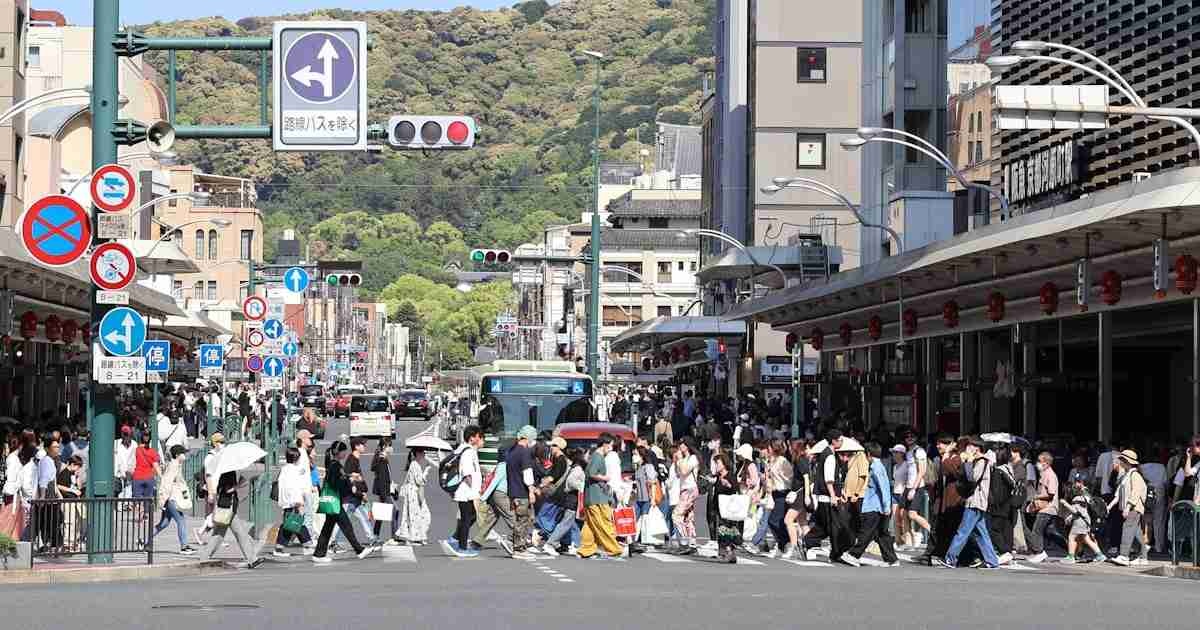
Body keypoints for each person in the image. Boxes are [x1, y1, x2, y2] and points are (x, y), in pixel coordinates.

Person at [935, 437, 1000, 569]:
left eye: (970, 447)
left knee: (962, 532)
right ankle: (992, 561)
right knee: (981, 534)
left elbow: (972, 478)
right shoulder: (978, 461)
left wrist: (969, 462)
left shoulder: (982, 461)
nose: (967, 449)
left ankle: (950, 559)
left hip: (975, 502)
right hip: (975, 502)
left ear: (977, 448)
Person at [312, 441, 375, 563]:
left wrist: (349, 477)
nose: (345, 453)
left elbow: (338, 479)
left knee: (328, 528)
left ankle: (319, 554)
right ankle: (359, 550)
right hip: (334, 501)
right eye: (344, 451)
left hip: (333, 501)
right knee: (346, 526)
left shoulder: (333, 464)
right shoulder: (336, 466)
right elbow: (337, 482)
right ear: (340, 452)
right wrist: (350, 483)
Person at [845, 442, 898, 567]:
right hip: (877, 506)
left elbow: (884, 487)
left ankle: (853, 554)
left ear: (868, 454)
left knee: (866, 532)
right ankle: (891, 559)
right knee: (881, 534)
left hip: (874, 506)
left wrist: (886, 506)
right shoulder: (877, 466)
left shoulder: (876, 468)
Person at [200, 468, 263, 569]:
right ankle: (252, 559)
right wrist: (239, 484)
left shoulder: (223, 470)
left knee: (221, 535)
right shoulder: (228, 471)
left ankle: (204, 558)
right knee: (237, 533)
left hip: (226, 506)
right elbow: (227, 489)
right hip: (227, 506)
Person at [579, 433, 625, 560]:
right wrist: (605, 478)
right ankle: (614, 549)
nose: (611, 448)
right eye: (610, 445)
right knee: (604, 523)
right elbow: (592, 473)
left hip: (591, 496)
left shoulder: (595, 456)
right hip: (598, 497)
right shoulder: (598, 457)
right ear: (604, 444)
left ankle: (586, 548)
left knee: (590, 525)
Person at [442, 425, 483, 558]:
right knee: (466, 519)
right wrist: (474, 492)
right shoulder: (468, 452)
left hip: (467, 492)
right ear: (472, 438)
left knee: (471, 517)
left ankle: (456, 539)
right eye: (479, 437)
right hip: (466, 492)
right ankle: (462, 547)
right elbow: (467, 474)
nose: (481, 439)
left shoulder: (468, 450)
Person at [542, 447, 586, 556]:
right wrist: (582, 487)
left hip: (569, 499)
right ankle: (550, 544)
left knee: (572, 524)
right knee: (566, 523)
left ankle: (571, 544)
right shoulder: (578, 469)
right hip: (572, 499)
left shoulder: (573, 467)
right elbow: (571, 482)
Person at [1109, 449, 1148, 566]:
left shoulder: (1135, 475)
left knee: (1127, 530)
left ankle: (1124, 556)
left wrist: (1128, 507)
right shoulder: (1127, 475)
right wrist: (1109, 506)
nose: (1119, 462)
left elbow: (1136, 492)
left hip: (1133, 508)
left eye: (1121, 460)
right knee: (1136, 533)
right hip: (1131, 508)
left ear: (1127, 462)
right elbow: (1118, 494)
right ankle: (1143, 557)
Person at [154, 445, 196, 554]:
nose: (185, 455)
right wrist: (163, 500)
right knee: (181, 520)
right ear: (177, 455)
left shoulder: (176, 465)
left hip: (170, 498)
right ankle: (184, 546)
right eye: (183, 453)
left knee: (164, 523)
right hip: (171, 498)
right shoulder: (174, 466)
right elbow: (166, 483)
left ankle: (144, 542)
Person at [274, 447, 314, 557]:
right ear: (297, 458)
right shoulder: (294, 471)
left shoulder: (284, 469)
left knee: (291, 524)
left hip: (286, 501)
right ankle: (307, 546)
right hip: (294, 501)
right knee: (295, 523)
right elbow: (294, 488)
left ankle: (280, 547)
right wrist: (298, 502)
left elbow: (283, 486)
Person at [506, 425, 538, 558]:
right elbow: (527, 473)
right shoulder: (524, 452)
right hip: (522, 492)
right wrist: (531, 490)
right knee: (523, 520)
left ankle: (519, 546)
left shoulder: (511, 452)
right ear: (528, 438)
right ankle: (519, 548)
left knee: (519, 520)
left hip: (513, 491)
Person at [1060, 474, 1106, 564]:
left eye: (1077, 482)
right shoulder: (1087, 495)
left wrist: (1065, 503)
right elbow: (1082, 510)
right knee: (1086, 538)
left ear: (1081, 483)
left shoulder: (1079, 496)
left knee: (1072, 537)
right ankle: (1100, 555)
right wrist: (1070, 517)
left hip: (1080, 521)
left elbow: (1076, 511)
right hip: (1085, 520)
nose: (1075, 484)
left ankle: (1071, 557)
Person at [1025, 451, 1061, 563]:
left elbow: (1051, 493)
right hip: (1045, 508)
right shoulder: (1044, 474)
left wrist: (1036, 496)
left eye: (1039, 461)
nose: (1037, 464)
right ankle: (1073, 550)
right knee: (1050, 533)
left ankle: (1039, 552)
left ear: (1046, 463)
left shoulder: (1050, 475)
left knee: (1036, 530)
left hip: (1048, 508)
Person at [394, 447, 432, 545]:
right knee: (418, 514)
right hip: (413, 493)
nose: (424, 454)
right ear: (418, 453)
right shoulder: (415, 465)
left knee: (413, 515)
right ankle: (414, 537)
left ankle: (415, 536)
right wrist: (426, 471)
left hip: (412, 492)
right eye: (423, 452)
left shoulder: (414, 464)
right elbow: (419, 481)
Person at [763, 439, 793, 558]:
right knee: (777, 521)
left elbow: (790, 477)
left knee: (774, 520)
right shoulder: (771, 461)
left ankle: (786, 542)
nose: (768, 450)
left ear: (774, 448)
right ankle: (781, 545)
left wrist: (781, 477)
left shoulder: (783, 461)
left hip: (783, 492)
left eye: (769, 447)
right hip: (774, 493)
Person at [670, 438, 700, 555]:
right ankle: (692, 543)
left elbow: (684, 471)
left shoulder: (693, 458)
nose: (680, 446)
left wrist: (679, 459)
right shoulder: (684, 459)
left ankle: (684, 542)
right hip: (684, 489)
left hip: (690, 489)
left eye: (682, 444)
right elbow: (678, 473)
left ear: (687, 446)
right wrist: (678, 460)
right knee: (688, 518)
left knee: (676, 515)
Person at [711, 452, 739, 564]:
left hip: (728, 508)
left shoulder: (730, 476)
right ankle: (724, 553)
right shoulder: (718, 477)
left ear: (724, 464)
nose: (716, 466)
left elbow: (735, 488)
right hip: (719, 507)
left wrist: (728, 485)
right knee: (721, 530)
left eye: (718, 463)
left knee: (726, 530)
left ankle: (729, 552)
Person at [370, 439, 396, 543]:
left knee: (381, 513)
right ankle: (394, 537)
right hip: (384, 490)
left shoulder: (382, 458)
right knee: (394, 511)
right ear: (385, 447)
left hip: (384, 489)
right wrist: (385, 494)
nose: (391, 448)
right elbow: (381, 477)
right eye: (390, 446)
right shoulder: (381, 459)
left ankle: (375, 535)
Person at [114, 426, 137, 501]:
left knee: (129, 498)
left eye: (127, 434)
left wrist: (131, 472)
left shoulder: (135, 444)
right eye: (124, 434)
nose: (126, 436)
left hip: (131, 476)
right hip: (118, 476)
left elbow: (135, 459)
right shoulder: (116, 443)